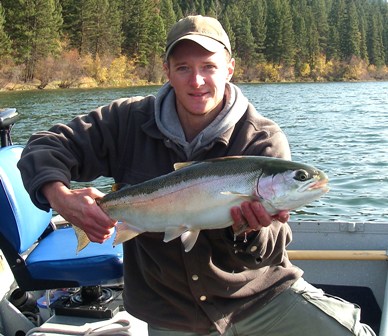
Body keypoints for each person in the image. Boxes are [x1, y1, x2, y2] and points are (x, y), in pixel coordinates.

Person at [18, 15, 375, 336]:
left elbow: (270, 252)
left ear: (230, 69)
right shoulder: (125, 121)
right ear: (167, 71)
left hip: (260, 299)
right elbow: (45, 146)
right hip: (170, 313)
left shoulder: (262, 140)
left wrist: (252, 230)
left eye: (209, 66)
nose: (198, 80)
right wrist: (60, 197)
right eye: (184, 68)